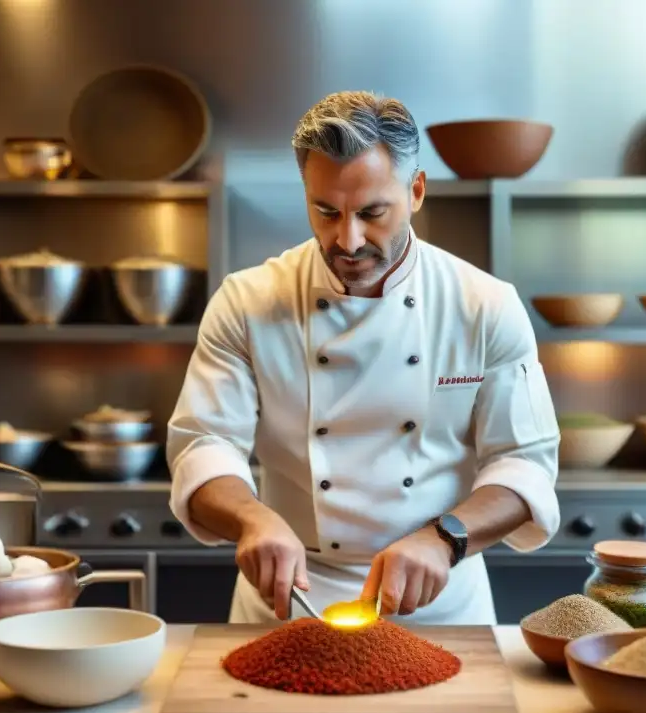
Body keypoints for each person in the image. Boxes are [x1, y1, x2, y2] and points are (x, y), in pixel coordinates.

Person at [166, 91, 560, 625]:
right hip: (291, 600)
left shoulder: (484, 304)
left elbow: (524, 463)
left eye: (372, 213)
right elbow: (205, 444)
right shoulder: (248, 302)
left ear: (416, 190)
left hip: (440, 607)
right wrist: (251, 518)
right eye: (325, 211)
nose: (346, 239)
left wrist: (447, 538)